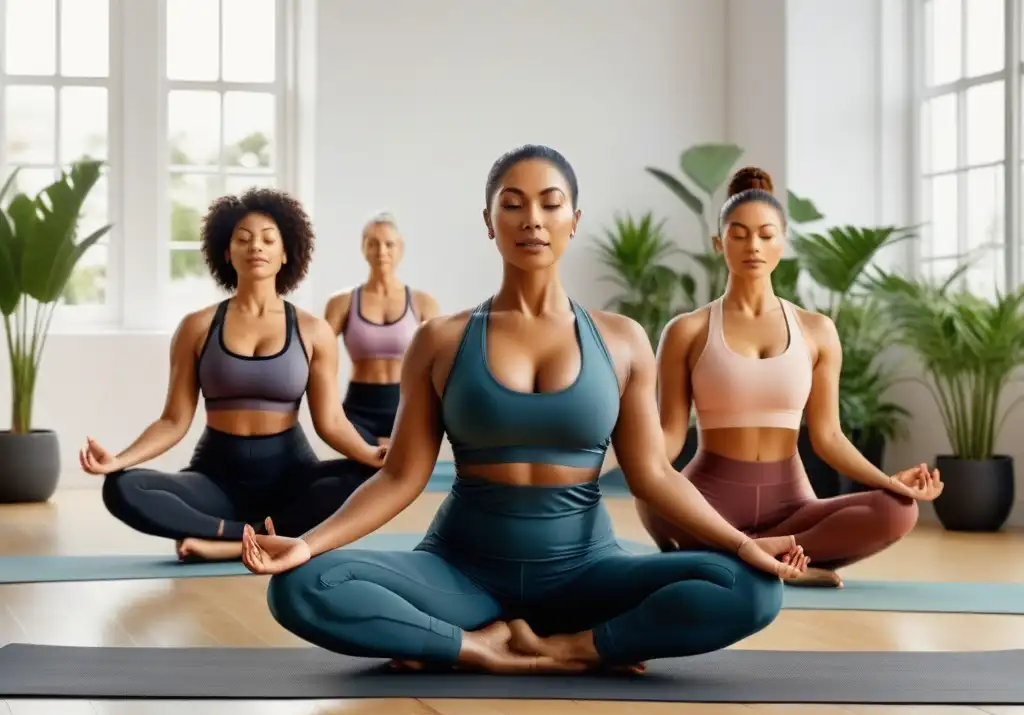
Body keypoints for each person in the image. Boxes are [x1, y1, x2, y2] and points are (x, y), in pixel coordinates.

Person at [238, 145, 811, 675]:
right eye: (512, 205)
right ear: (489, 223)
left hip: (587, 571)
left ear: (574, 221)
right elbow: (400, 476)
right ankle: (476, 647)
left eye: (550, 204)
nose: (532, 219)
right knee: (299, 586)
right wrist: (308, 544)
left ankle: (573, 646)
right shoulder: (441, 339)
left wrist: (741, 543)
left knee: (753, 587)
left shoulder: (622, 339)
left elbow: (655, 474)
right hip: (460, 571)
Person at [639, 166, 943, 588]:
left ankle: (757, 552)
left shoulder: (816, 330)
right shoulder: (687, 330)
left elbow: (829, 437)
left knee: (899, 510)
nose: (753, 246)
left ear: (784, 241)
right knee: (651, 487)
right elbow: (670, 434)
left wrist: (890, 483)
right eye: (739, 234)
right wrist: (639, 472)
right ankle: (771, 556)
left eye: (766, 234)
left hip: (792, 505)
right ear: (718, 243)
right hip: (709, 500)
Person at [80, 188, 387, 562]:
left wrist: (372, 455)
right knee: (123, 487)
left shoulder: (312, 330)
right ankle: (253, 536)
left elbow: (332, 423)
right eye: (243, 239)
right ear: (226, 252)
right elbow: (173, 420)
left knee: (367, 481)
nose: (256, 246)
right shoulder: (197, 327)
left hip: (291, 476)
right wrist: (118, 459)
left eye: (268, 239)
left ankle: (223, 543)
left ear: (286, 252)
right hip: (215, 478)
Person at [324, 213, 440, 453]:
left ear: (401, 249)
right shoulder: (341, 302)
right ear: (363, 248)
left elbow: (439, 364)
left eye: (389, 244)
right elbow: (318, 357)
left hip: (406, 408)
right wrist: (327, 406)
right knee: (360, 477)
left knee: (397, 481)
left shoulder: (423, 303)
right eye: (373, 243)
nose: (381, 251)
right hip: (357, 409)